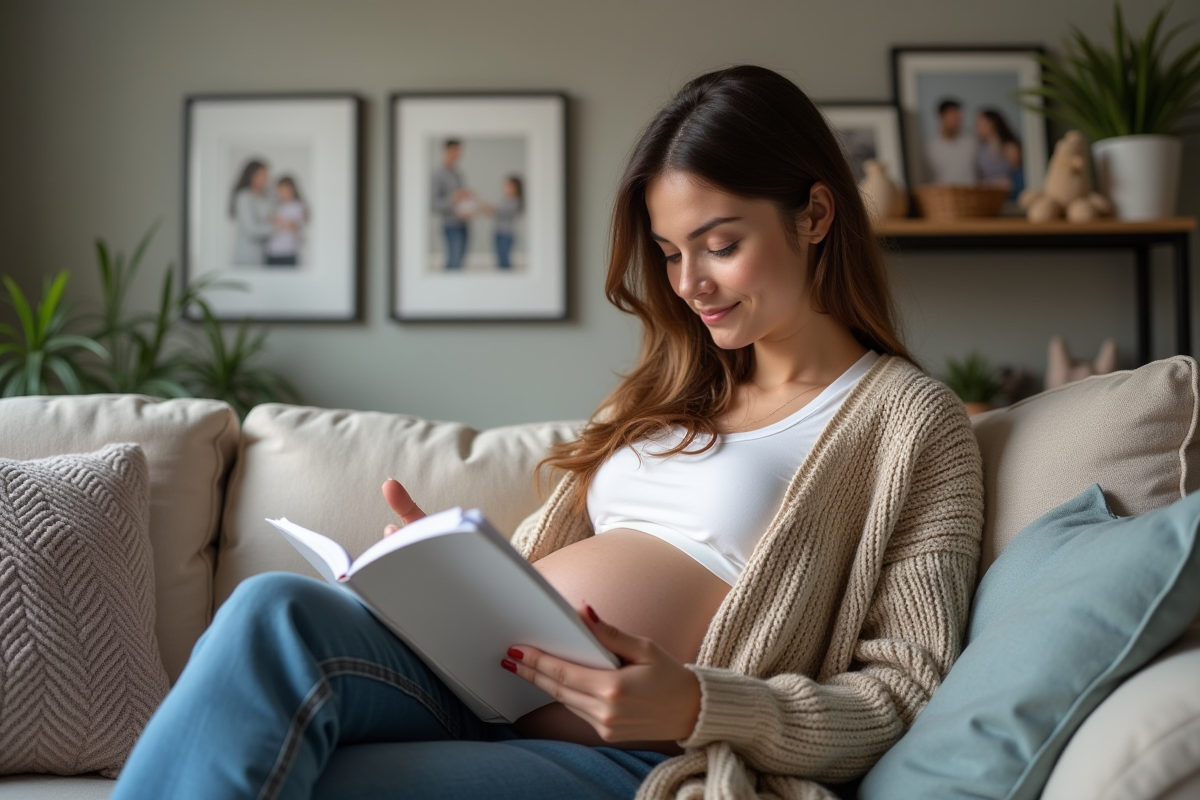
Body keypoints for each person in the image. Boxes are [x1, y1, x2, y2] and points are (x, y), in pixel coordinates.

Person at [112, 65, 983, 800]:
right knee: (271, 607)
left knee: (320, 776)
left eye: (719, 245)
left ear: (815, 216)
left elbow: (904, 690)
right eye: (670, 253)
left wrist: (697, 706)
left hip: (636, 755)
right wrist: (443, 576)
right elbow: (545, 562)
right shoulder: (662, 390)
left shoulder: (911, 423)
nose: (689, 284)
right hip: (474, 680)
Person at [431, 139, 473, 270]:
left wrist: (467, 203)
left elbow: (459, 201)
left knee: (459, 264)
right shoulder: (437, 174)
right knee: (453, 264)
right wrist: (454, 198)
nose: (458, 154)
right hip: (450, 226)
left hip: (463, 224)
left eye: (459, 151)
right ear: (446, 151)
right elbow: (435, 205)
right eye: (455, 150)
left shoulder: (458, 174)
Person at [229, 159, 275, 265]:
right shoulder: (243, 197)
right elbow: (251, 229)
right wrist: (278, 228)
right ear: (252, 176)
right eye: (263, 175)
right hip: (247, 256)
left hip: (264, 256)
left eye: (266, 175)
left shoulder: (266, 197)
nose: (266, 179)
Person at [924, 98, 977, 185]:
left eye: (958, 117)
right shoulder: (928, 147)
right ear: (940, 117)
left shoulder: (972, 142)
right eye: (951, 116)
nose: (955, 121)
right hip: (942, 192)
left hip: (970, 192)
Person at [975, 108, 1024, 200]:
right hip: (989, 195)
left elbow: (1020, 176)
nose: (977, 127)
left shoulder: (1010, 147)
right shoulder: (980, 148)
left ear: (992, 124)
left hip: (1010, 195)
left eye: (980, 123)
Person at [265, 176, 309, 267]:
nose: (283, 194)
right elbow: (270, 221)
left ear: (293, 190)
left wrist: (278, 221)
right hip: (272, 251)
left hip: (288, 252)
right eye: (280, 191)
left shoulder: (298, 206)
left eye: (285, 190)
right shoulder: (278, 206)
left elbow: (295, 226)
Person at [484, 175, 523, 269]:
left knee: (504, 261)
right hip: (499, 233)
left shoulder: (515, 201)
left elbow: (496, 211)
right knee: (500, 261)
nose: (506, 187)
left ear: (516, 188)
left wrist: (480, 206)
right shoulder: (505, 200)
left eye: (509, 185)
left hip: (506, 234)